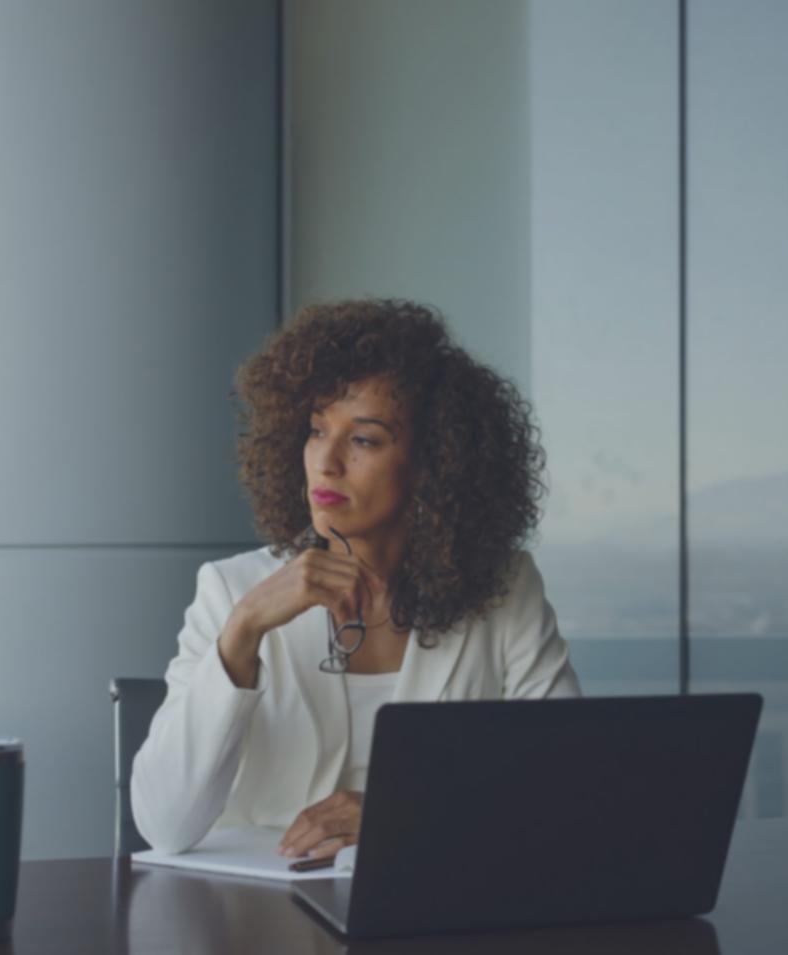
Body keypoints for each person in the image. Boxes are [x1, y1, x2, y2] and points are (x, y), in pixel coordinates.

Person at [131, 299, 582, 860]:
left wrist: (402, 815)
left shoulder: (504, 589)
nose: (326, 461)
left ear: (432, 463)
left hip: (435, 915)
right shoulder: (230, 592)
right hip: (258, 927)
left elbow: (565, 789)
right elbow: (163, 825)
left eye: (364, 439)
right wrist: (242, 632)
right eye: (317, 430)